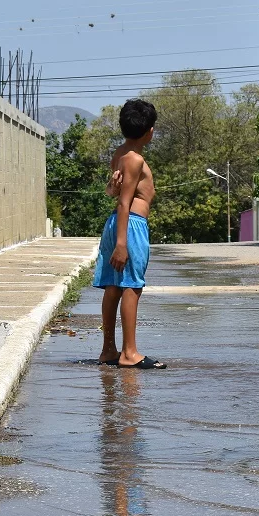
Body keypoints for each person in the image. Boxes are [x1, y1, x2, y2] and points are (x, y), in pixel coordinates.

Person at [94, 98, 165, 369]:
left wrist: (118, 237)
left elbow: (112, 192)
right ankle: (129, 353)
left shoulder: (120, 154)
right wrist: (122, 244)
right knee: (132, 287)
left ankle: (109, 350)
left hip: (116, 223)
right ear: (149, 132)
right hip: (130, 226)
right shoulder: (135, 160)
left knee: (113, 286)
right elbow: (125, 201)